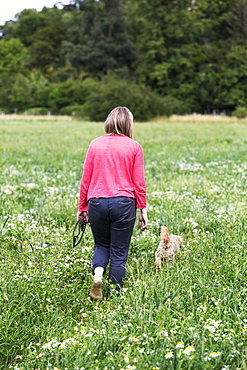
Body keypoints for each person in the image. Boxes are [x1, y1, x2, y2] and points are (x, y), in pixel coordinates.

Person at [77, 106, 148, 300]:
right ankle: (116, 297)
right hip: (124, 203)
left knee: (101, 245)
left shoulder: (94, 144)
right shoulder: (134, 147)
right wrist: (142, 209)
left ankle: (98, 273)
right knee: (119, 251)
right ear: (128, 124)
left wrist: (82, 207)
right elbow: (138, 183)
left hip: (97, 202)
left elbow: (86, 179)